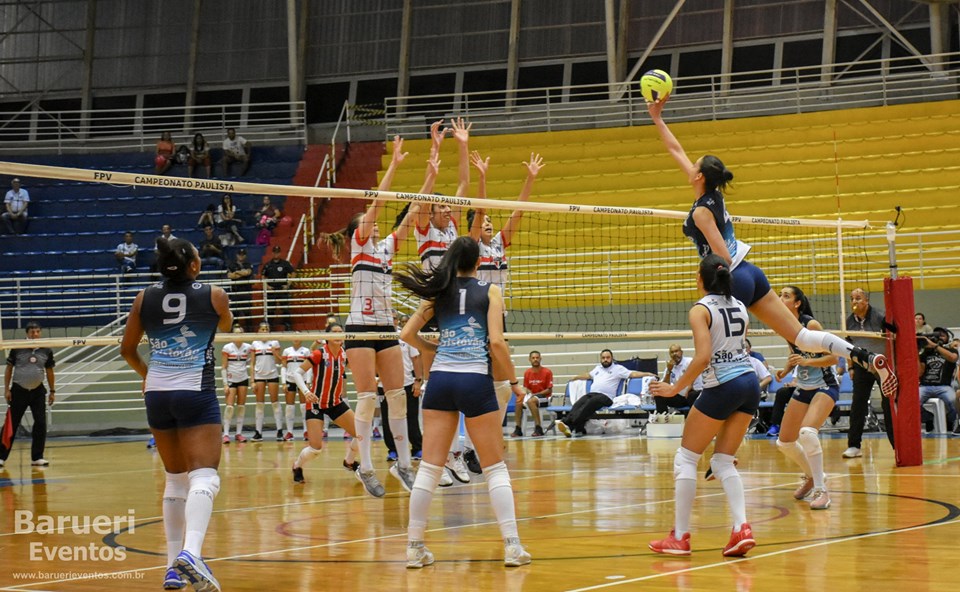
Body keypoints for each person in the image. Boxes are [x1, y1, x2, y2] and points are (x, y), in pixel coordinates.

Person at [646, 97, 898, 399]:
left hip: (732, 279)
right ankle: (865, 357)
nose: (689, 164)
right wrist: (657, 118)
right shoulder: (713, 195)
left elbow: (722, 258)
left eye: (694, 165)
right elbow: (676, 150)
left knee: (714, 350)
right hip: (752, 273)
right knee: (802, 337)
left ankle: (690, 392)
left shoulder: (701, 212)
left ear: (699, 176)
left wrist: (710, 286)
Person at [398, 235, 531, 568]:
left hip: (441, 380)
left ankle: (415, 548)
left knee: (429, 468)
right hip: (475, 380)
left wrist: (435, 350)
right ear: (480, 261)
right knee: (494, 468)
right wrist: (514, 383)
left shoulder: (438, 292)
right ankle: (512, 547)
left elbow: (406, 336)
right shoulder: (491, 291)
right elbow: (497, 345)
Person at [321, 135, 432, 498]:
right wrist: (395, 164)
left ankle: (403, 464)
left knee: (397, 396)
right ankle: (366, 467)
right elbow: (380, 204)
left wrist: (429, 176)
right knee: (368, 397)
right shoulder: (360, 245)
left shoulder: (384, 250)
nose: (375, 227)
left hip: (386, 328)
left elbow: (413, 212)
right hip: (359, 329)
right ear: (359, 230)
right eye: (368, 223)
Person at [120, 236, 232, 591]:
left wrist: (148, 375)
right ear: (194, 266)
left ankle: (171, 568)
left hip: (157, 393)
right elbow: (226, 326)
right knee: (205, 477)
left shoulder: (143, 297)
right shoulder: (214, 294)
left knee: (174, 479)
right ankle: (192, 553)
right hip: (194, 390)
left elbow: (127, 350)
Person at [647, 254, 759, 557]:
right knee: (722, 461)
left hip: (724, 385)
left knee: (685, 459)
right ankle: (741, 528)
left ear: (700, 279)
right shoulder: (740, 306)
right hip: (749, 384)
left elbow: (703, 357)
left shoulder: (700, 309)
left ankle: (680, 537)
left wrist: (674, 389)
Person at [772, 286, 839, 510]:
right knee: (784, 442)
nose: (780, 298)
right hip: (803, 385)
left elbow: (833, 358)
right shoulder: (786, 326)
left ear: (798, 302)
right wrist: (784, 370)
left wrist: (807, 363)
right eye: (779, 295)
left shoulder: (811, 325)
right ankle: (811, 476)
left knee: (807, 433)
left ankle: (822, 490)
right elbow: (796, 356)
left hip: (825, 385)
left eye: (786, 296)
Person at [289, 324, 361, 483]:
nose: (338, 334)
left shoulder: (344, 355)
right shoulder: (319, 354)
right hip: (316, 404)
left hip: (335, 403)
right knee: (315, 449)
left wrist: (374, 379)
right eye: (334, 332)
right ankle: (297, 465)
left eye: (340, 332)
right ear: (327, 336)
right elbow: (297, 373)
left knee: (361, 433)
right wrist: (306, 392)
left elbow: (357, 371)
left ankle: (349, 462)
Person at [556, 350, 657, 437]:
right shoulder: (597, 368)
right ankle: (575, 427)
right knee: (580, 402)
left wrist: (647, 373)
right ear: (600, 359)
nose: (605, 359)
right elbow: (588, 375)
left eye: (608, 357)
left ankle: (568, 423)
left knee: (590, 403)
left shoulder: (618, 369)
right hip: (593, 394)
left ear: (612, 358)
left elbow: (632, 373)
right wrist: (576, 377)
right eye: (603, 358)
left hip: (606, 398)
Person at [843, 288, 894, 458]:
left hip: (883, 366)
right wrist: (851, 367)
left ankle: (896, 445)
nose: (854, 301)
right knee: (858, 404)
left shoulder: (881, 316)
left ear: (866, 300)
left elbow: (894, 336)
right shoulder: (848, 322)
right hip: (861, 365)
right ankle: (854, 446)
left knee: (888, 404)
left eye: (858, 298)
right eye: (852, 298)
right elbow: (848, 347)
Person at [1, 322, 55, 468]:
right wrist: (7, 389)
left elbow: (49, 371)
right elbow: (9, 369)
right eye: (32, 332)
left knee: (41, 423)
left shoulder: (46, 350)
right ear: (27, 333)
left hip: (38, 391)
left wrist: (52, 391)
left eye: (38, 331)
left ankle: (37, 457)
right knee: (11, 423)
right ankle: (1, 457)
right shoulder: (17, 347)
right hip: (19, 391)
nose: (35, 334)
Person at [381, 314, 424, 461]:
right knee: (387, 419)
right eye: (390, 317)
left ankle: (417, 448)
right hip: (385, 385)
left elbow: (416, 358)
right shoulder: (378, 336)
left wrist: (418, 380)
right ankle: (393, 450)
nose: (392, 320)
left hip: (407, 383)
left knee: (411, 417)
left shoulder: (405, 335)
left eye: (394, 318)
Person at [918, 326, 958, 432]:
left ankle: (952, 423)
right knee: (912, 402)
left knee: (954, 401)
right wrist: (916, 352)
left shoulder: (951, 350)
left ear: (948, 338)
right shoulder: (926, 353)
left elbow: (953, 358)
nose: (939, 337)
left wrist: (935, 346)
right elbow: (919, 372)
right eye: (936, 335)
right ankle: (928, 418)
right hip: (925, 385)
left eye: (942, 335)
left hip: (944, 386)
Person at [250, 321, 283, 442]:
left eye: (266, 329)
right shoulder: (254, 343)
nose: (264, 331)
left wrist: (275, 353)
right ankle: (258, 432)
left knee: (275, 402)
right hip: (259, 376)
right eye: (262, 329)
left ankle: (279, 430)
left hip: (272, 374)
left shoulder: (274, 342)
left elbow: (280, 361)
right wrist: (252, 380)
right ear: (258, 331)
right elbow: (252, 363)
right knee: (259, 403)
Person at [512, 351, 553, 437]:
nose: (535, 360)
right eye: (533, 358)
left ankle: (538, 428)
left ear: (540, 359)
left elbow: (549, 390)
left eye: (537, 358)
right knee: (518, 401)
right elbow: (527, 388)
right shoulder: (527, 372)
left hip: (544, 397)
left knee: (531, 401)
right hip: (532, 396)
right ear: (530, 359)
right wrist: (529, 393)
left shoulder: (547, 372)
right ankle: (518, 429)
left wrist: (536, 394)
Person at [221, 326, 251, 444]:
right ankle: (226, 434)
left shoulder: (248, 347)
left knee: (241, 406)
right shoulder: (227, 347)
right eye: (235, 333)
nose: (238, 335)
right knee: (229, 407)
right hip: (231, 379)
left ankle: (239, 433)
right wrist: (225, 384)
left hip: (243, 378)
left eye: (240, 333)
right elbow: (223, 366)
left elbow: (250, 360)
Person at [656, 344, 704, 414]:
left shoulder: (689, 361)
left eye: (676, 351)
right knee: (659, 394)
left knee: (692, 395)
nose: (674, 354)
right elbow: (665, 385)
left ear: (681, 352)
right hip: (680, 396)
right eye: (672, 352)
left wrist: (689, 387)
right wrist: (669, 371)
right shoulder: (669, 366)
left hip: (694, 393)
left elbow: (694, 373)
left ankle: (694, 419)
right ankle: (663, 419)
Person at [282, 337, 312, 441]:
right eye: (293, 336)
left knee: (304, 406)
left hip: (302, 380)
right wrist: (283, 382)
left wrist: (308, 382)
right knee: (289, 407)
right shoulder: (287, 351)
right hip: (290, 380)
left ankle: (306, 431)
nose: (295, 338)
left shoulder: (306, 351)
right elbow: (283, 366)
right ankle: (289, 432)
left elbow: (309, 367)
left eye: (298, 337)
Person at [260, 246, 295, 331]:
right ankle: (270, 326)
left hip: (282, 289)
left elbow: (293, 273)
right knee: (270, 308)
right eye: (275, 252)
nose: (276, 254)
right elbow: (263, 276)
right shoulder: (268, 265)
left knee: (285, 307)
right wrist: (267, 286)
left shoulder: (285, 263)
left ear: (280, 253)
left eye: (278, 252)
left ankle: (288, 325)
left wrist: (288, 285)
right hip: (272, 289)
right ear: (272, 253)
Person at [226, 249, 253, 331]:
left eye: (243, 254)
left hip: (246, 291)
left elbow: (248, 272)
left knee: (247, 312)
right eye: (239, 254)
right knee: (235, 313)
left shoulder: (248, 264)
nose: (241, 256)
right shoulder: (232, 264)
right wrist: (242, 273)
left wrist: (237, 272)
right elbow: (230, 276)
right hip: (235, 291)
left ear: (245, 256)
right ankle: (234, 330)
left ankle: (249, 330)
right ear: (237, 255)